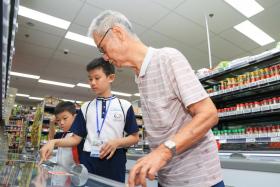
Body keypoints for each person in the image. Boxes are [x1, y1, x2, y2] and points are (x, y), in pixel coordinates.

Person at [88, 10, 225, 187]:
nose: (104, 57)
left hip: (200, 180)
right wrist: (147, 163)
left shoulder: (167, 58)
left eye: (102, 48)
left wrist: (163, 152)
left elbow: (208, 114)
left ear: (118, 33)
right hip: (168, 179)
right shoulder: (139, 76)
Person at [40, 58, 139, 182]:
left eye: (97, 78)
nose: (92, 82)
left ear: (111, 78)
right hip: (88, 159)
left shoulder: (124, 106)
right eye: (90, 79)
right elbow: (75, 139)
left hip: (114, 159)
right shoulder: (85, 107)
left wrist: (117, 142)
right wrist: (53, 142)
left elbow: (135, 137)